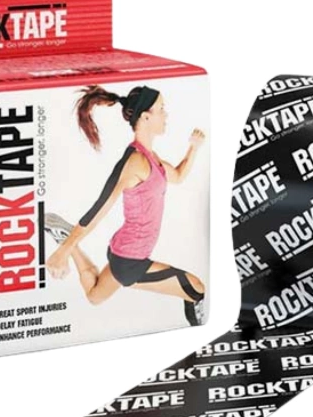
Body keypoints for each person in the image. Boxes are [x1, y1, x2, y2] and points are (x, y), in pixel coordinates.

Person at [44, 84, 207, 325]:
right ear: (146, 116)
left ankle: (71, 242)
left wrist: (193, 148)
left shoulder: (151, 157)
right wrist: (62, 253)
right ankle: (198, 325)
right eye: (162, 109)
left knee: (94, 296)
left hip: (123, 250)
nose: (166, 115)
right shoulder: (134, 163)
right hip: (130, 260)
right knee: (196, 289)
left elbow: (178, 176)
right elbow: (99, 209)